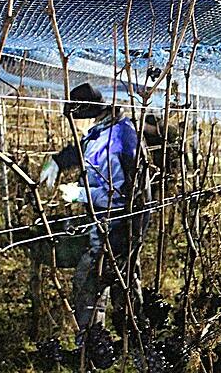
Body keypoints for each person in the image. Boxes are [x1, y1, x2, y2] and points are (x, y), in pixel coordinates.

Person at [39, 83, 150, 365]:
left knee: (93, 281)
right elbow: (83, 148)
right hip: (112, 226)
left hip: (118, 227)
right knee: (122, 283)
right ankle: (133, 342)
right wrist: (58, 161)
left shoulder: (118, 139)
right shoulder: (109, 131)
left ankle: (98, 345)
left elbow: (120, 195)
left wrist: (80, 193)